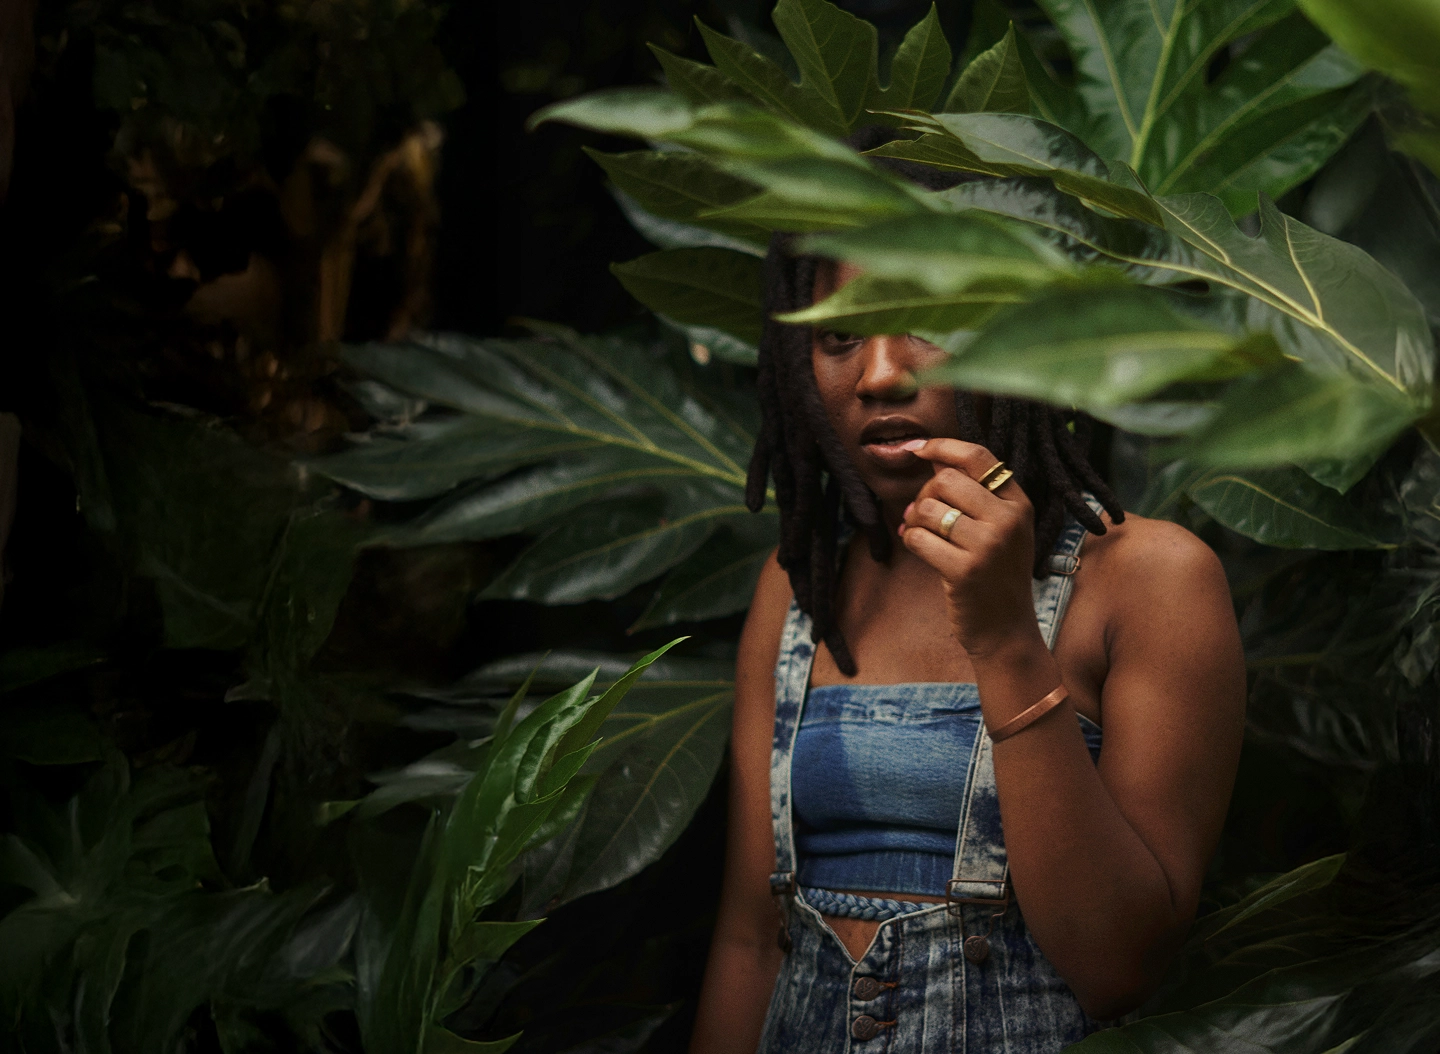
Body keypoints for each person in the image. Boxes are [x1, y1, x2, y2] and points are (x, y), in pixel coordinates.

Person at [688, 230, 1247, 1052]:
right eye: (840, 336)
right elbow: (749, 938)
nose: (880, 373)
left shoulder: (1153, 583)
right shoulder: (801, 586)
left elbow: (1120, 966)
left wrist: (1005, 640)